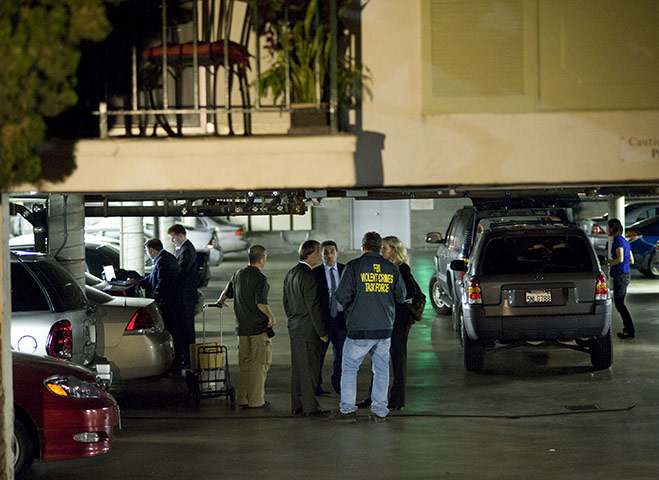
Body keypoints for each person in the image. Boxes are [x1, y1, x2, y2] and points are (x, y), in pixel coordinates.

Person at [330, 231, 406, 423]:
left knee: (349, 368)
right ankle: (379, 411)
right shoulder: (390, 268)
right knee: (381, 369)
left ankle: (347, 409)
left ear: (362, 246)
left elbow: (342, 296)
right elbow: (401, 296)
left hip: (359, 329)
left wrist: (353, 306)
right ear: (380, 247)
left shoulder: (354, 267)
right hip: (383, 329)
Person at [217, 245, 275, 409]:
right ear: (262, 259)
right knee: (259, 364)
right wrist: (271, 316)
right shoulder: (260, 279)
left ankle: (243, 398)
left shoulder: (238, 274)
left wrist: (220, 303)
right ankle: (256, 401)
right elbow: (261, 303)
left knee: (245, 364)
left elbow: (225, 294)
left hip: (241, 328)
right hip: (257, 329)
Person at [283, 240, 329, 417]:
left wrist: (294, 318)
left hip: (295, 327)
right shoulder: (309, 275)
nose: (320, 256)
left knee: (298, 368)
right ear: (310, 253)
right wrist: (322, 332)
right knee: (310, 368)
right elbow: (314, 306)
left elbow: (286, 301)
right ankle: (310, 407)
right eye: (318, 252)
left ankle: (297, 405)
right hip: (309, 328)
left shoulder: (291, 273)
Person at [129, 238, 183, 373]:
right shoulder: (164, 258)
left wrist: (152, 301)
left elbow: (161, 284)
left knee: (172, 332)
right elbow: (153, 277)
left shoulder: (163, 261)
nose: (147, 254)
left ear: (152, 250)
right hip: (171, 302)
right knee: (173, 332)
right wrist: (139, 282)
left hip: (168, 304)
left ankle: (176, 365)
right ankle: (176, 363)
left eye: (147, 251)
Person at [313, 240, 347, 395]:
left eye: (332, 251)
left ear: (337, 253)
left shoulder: (344, 270)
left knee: (340, 355)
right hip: (324, 320)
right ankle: (316, 385)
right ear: (321, 255)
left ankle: (338, 384)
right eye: (326, 252)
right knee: (318, 356)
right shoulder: (316, 273)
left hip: (341, 320)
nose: (329, 255)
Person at [168, 224, 198, 370]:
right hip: (186, 296)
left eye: (173, 238)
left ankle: (189, 359)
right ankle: (188, 358)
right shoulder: (184, 249)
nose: (172, 241)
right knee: (186, 329)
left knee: (187, 329)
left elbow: (181, 273)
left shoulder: (186, 251)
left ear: (180, 236)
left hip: (186, 297)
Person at [603, 218, 636, 339]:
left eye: (608, 227)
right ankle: (628, 329)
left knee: (620, 304)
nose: (607, 229)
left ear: (613, 228)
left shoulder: (618, 242)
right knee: (620, 303)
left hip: (620, 275)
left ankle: (629, 330)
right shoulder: (625, 241)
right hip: (626, 274)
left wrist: (609, 263)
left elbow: (620, 259)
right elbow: (631, 260)